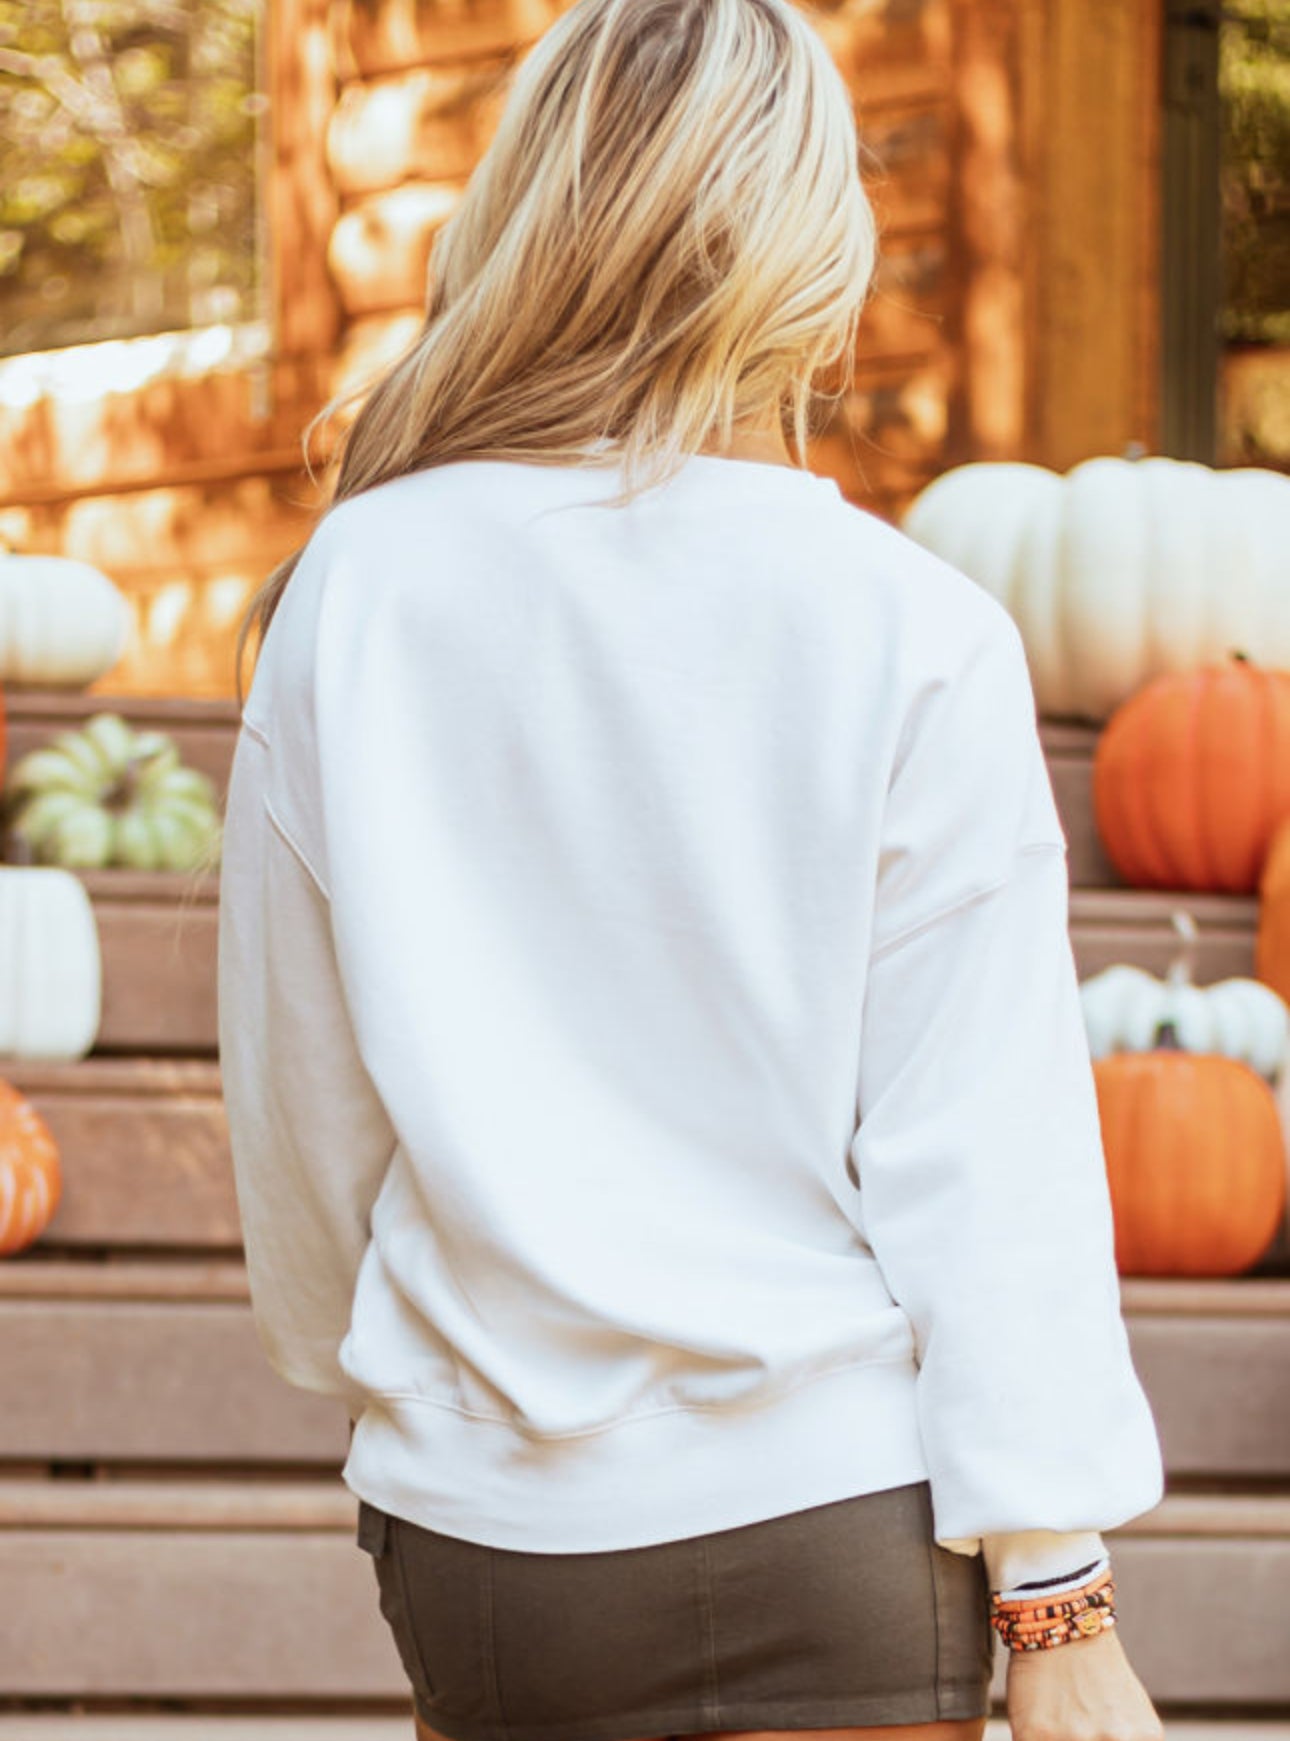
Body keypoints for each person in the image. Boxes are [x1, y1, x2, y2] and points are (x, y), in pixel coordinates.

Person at [217, 2, 1169, 1739]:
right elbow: (985, 1153)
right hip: (831, 1513)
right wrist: (1058, 1594)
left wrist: (390, 1365)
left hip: (484, 1533)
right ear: (815, 256)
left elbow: (306, 1101)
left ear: (529, 217)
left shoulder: (357, 587)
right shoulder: (917, 632)